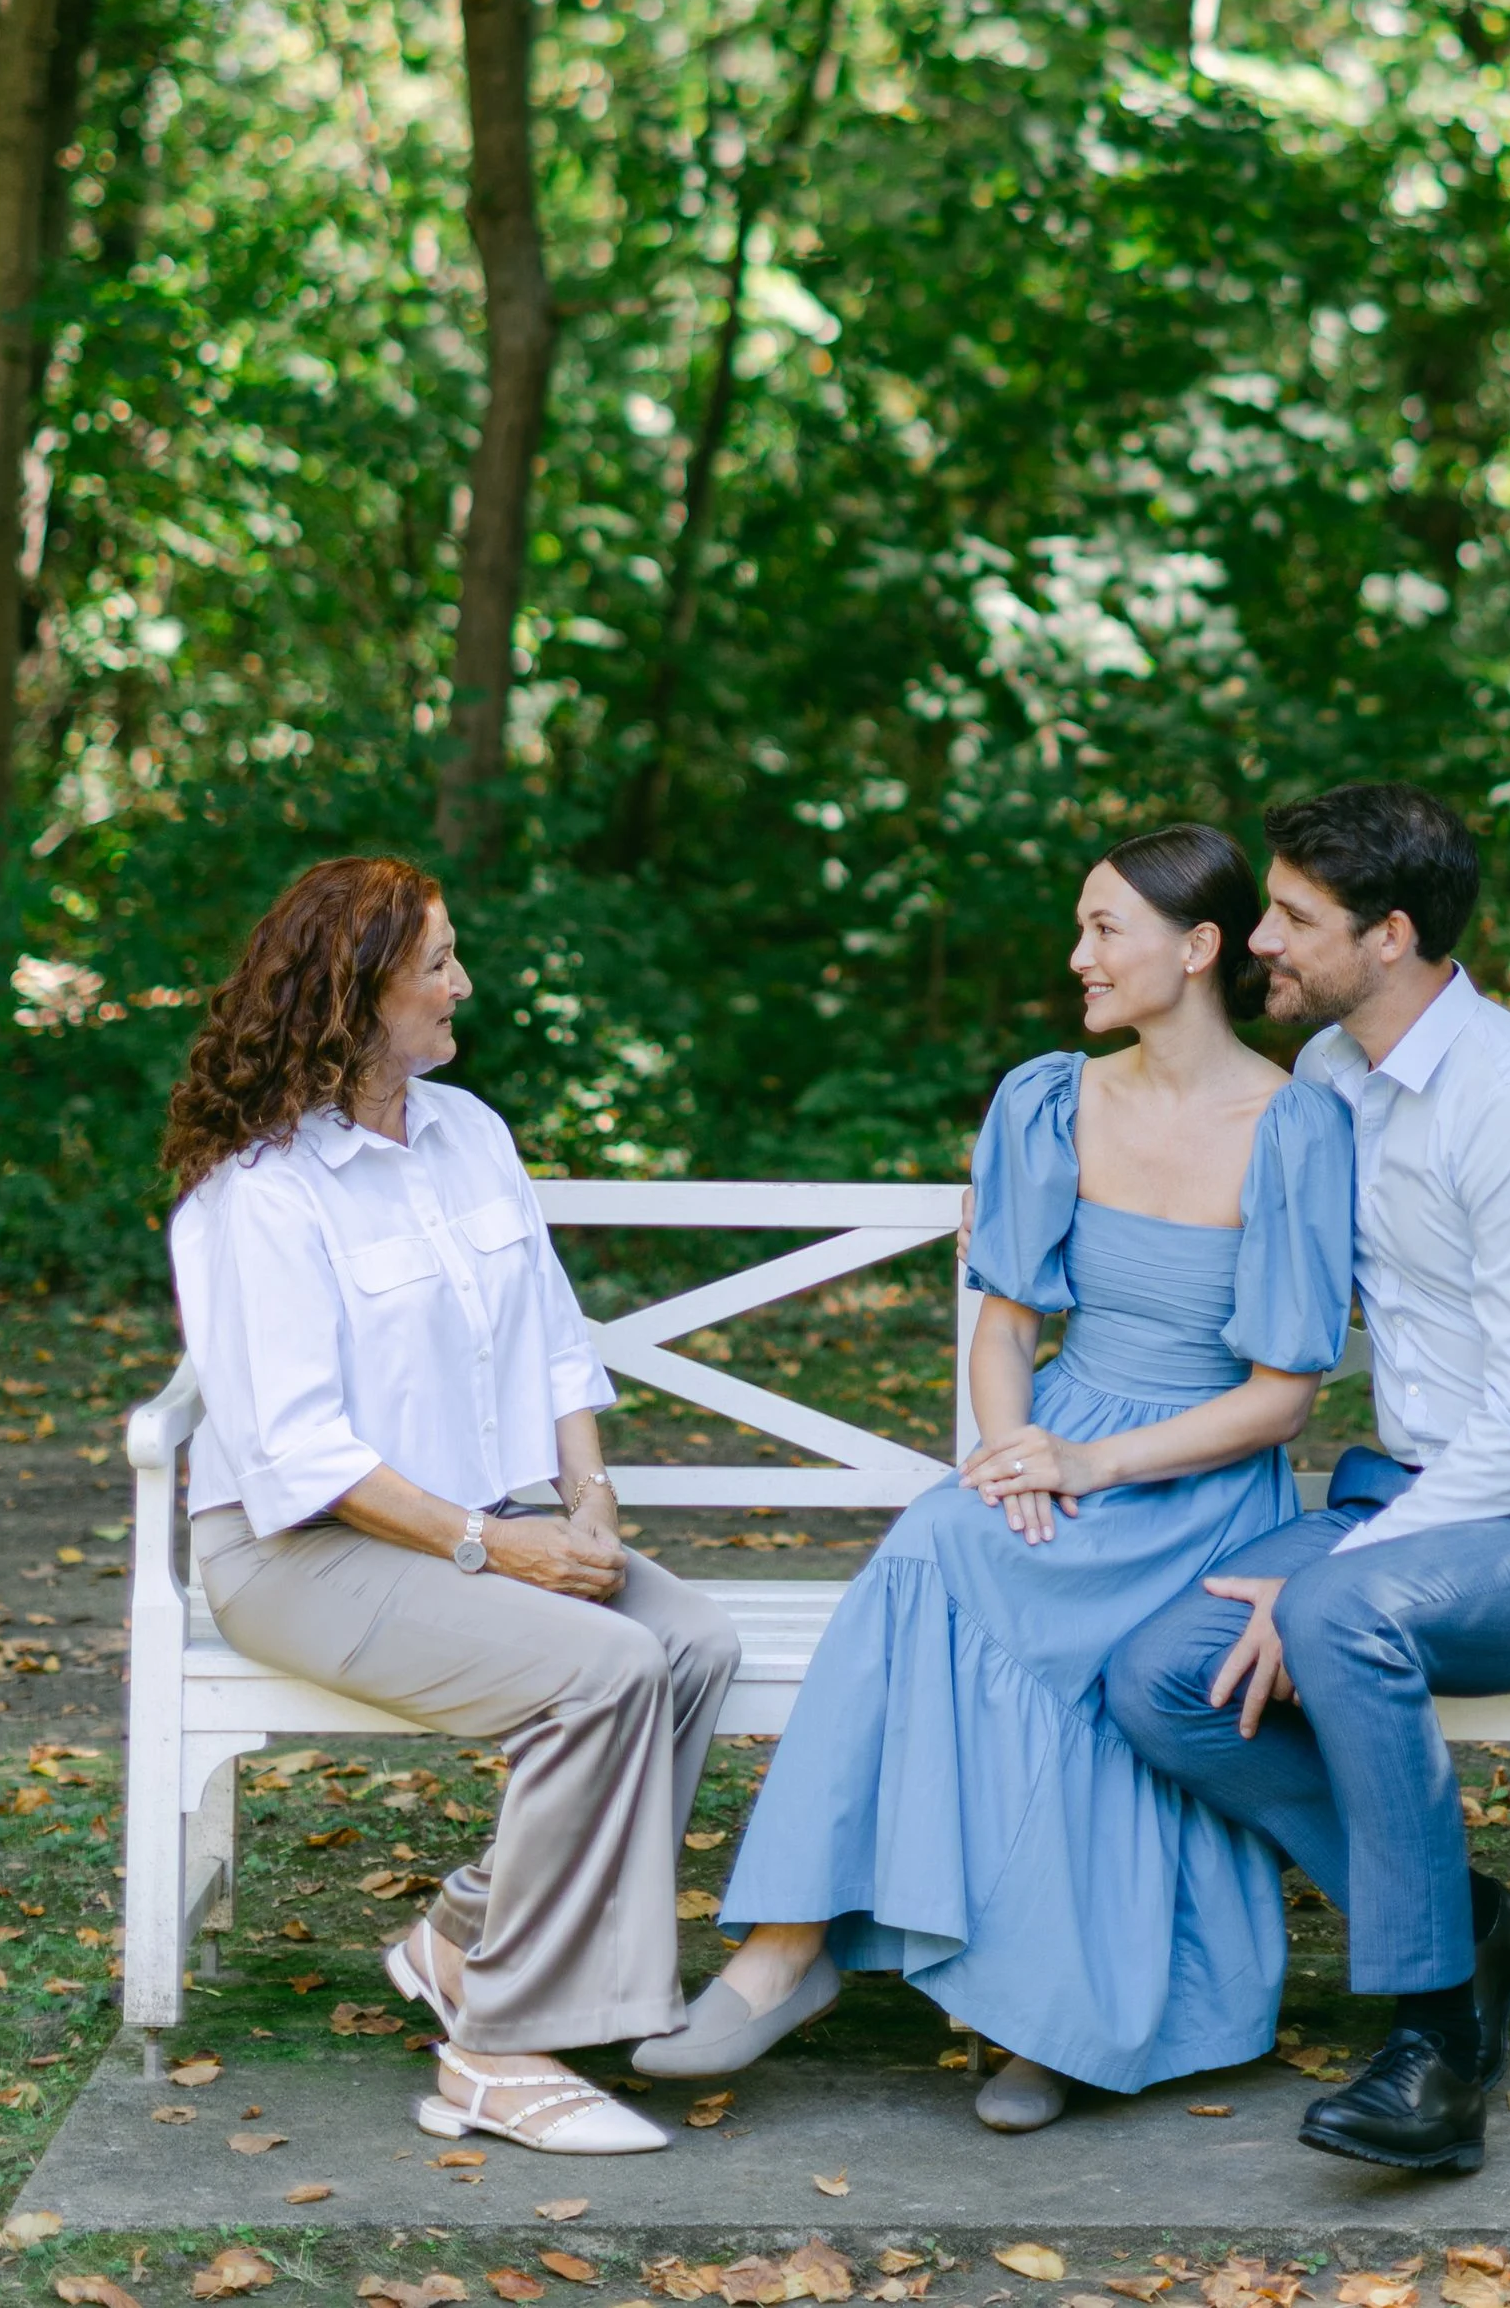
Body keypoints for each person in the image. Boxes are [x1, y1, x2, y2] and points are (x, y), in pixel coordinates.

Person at [637, 824, 1355, 2132]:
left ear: (1197, 950)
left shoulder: (1295, 1124)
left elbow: (1283, 1394)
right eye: (1078, 927)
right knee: (938, 1544)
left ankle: (1053, 2018)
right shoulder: (1046, 1098)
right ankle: (784, 1951)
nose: (1076, 955)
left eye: (1103, 929)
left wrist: (1094, 1461)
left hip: (1199, 1473)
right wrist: (1014, 1453)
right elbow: (1008, 1325)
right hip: (1060, 1438)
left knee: (1094, 1640)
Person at [1104, 780, 1510, 2181]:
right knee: (1158, 1676)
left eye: (1294, 918)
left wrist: (1336, 1574)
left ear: (1393, 934)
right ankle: (1472, 1925)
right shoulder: (1326, 1081)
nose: (1259, 944)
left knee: (1339, 1616)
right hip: (1402, 1504)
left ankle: (1434, 2050)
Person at [165, 854, 739, 2159]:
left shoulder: (468, 1131)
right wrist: (496, 1544)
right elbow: (303, 1451)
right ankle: (496, 2051)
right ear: (355, 993)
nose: (461, 981)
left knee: (689, 1639)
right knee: (600, 1668)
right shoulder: (260, 1191)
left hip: (488, 1517)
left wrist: (585, 1506)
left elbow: (549, 1342)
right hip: (300, 1551)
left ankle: (471, 1933)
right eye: (436, 961)